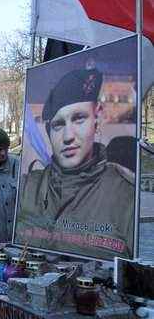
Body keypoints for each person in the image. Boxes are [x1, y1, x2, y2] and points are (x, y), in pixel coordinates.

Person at [16, 68, 135, 258]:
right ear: (49, 132)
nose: (68, 137)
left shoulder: (126, 195)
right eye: (58, 125)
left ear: (97, 119)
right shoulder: (28, 187)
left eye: (79, 118)